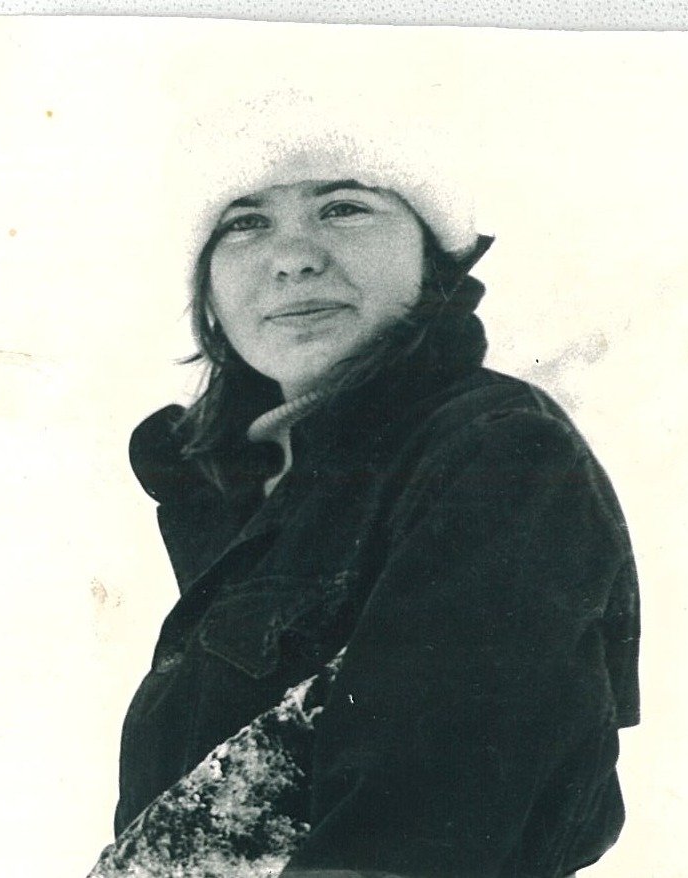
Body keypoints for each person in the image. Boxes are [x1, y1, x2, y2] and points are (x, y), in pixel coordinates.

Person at [88, 122, 640, 878]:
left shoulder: (496, 452)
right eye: (245, 223)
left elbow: (412, 834)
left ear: (430, 255)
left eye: (343, 208)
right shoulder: (253, 486)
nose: (293, 257)